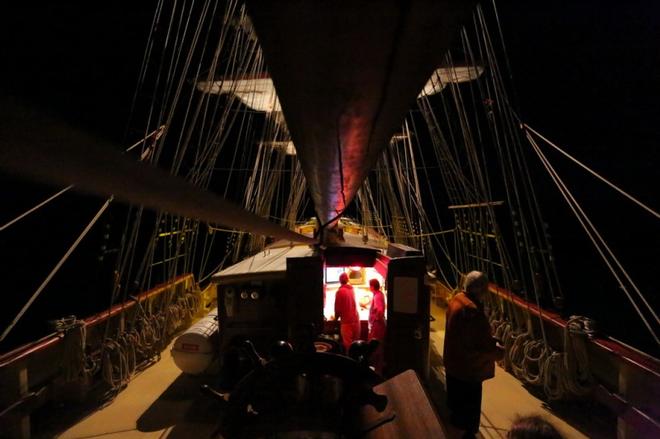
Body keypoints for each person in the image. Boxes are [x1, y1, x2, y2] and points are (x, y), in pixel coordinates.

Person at [443, 271, 504, 438]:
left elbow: (464, 337)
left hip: (453, 366)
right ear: (480, 290)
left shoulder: (456, 300)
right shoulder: (472, 311)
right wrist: (499, 351)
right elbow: (481, 346)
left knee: (455, 412)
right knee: (467, 420)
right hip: (468, 373)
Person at [334, 272, 361, 352]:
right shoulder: (352, 289)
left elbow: (337, 309)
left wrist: (335, 319)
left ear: (339, 280)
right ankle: (357, 363)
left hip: (346, 323)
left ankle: (350, 363)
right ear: (348, 280)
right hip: (356, 321)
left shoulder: (340, 292)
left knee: (348, 347)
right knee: (356, 345)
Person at [367, 278, 386, 374]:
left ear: (372, 286)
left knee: (376, 347)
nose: (369, 287)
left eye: (369, 285)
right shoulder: (379, 294)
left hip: (377, 325)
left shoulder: (377, 296)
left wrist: (375, 319)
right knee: (378, 347)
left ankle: (377, 372)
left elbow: (379, 310)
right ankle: (378, 369)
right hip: (378, 324)